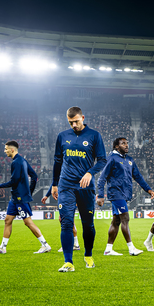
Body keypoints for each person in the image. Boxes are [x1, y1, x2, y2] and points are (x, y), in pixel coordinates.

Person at [52, 107, 107, 272]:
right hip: (66, 185)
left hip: (85, 187)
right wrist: (54, 184)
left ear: (83, 117)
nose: (74, 125)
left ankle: (88, 255)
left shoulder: (94, 135)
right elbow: (57, 161)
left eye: (76, 121)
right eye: (70, 122)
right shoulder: (62, 136)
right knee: (66, 223)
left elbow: (102, 160)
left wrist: (90, 173)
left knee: (88, 225)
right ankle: (68, 262)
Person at [0, 141, 51, 255]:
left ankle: (45, 245)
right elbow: (35, 177)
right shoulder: (23, 160)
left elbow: (14, 181)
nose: (4, 151)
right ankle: (2, 247)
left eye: (6, 149)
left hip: (20, 198)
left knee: (28, 222)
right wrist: (29, 192)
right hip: (16, 197)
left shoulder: (16, 162)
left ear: (12, 150)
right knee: (7, 220)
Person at [97, 137, 154, 256]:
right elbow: (102, 177)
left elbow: (138, 177)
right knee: (125, 218)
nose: (126, 145)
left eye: (127, 143)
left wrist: (148, 189)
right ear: (116, 146)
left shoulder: (129, 160)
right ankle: (131, 248)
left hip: (124, 194)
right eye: (123, 143)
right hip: (116, 193)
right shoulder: (112, 158)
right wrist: (100, 194)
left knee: (116, 221)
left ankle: (108, 249)